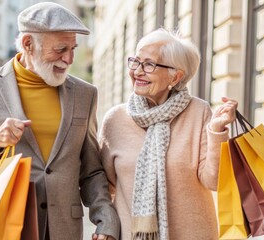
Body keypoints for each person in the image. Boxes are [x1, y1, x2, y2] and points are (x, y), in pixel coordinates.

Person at [0, 2, 119, 240]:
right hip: (3, 227)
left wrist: (106, 221)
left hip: (64, 230)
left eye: (73, 48)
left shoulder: (85, 94)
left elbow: (91, 170)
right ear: (28, 44)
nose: (69, 58)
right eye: (61, 49)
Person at [99, 28, 238, 240]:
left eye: (149, 64)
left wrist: (217, 131)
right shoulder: (115, 120)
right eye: (135, 61)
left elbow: (214, 181)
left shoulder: (198, 113)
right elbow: (102, 186)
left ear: (176, 76)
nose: (137, 71)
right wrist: (106, 227)